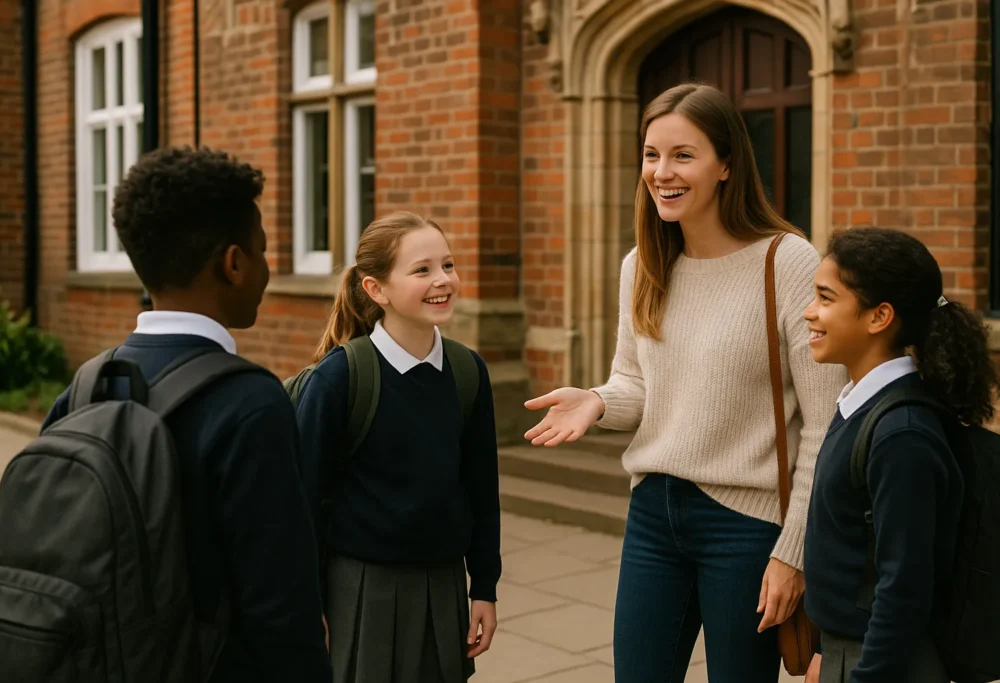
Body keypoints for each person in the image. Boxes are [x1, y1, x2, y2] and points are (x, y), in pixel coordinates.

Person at [523, 83, 846, 683]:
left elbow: (826, 426)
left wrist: (793, 551)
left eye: (682, 155)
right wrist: (595, 400)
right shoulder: (643, 262)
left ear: (726, 164)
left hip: (747, 528)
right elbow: (637, 385)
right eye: (651, 154)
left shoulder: (788, 261)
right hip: (653, 513)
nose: (661, 172)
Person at [42, 146, 332, 682]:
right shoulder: (250, 404)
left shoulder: (84, 388)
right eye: (263, 251)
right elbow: (280, 612)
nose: (268, 269)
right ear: (234, 263)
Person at [293, 211, 501, 683]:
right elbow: (302, 503)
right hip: (360, 590)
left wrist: (484, 588)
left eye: (447, 265)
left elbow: (482, 492)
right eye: (422, 270)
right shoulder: (339, 378)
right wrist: (308, 606)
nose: (442, 280)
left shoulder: (468, 373)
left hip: (444, 587)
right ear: (375, 290)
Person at [801, 227, 996, 682]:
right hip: (849, 651)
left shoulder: (900, 434)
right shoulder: (861, 404)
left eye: (826, 298)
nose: (809, 313)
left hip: (885, 664)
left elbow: (903, 587)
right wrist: (826, 648)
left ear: (879, 317)